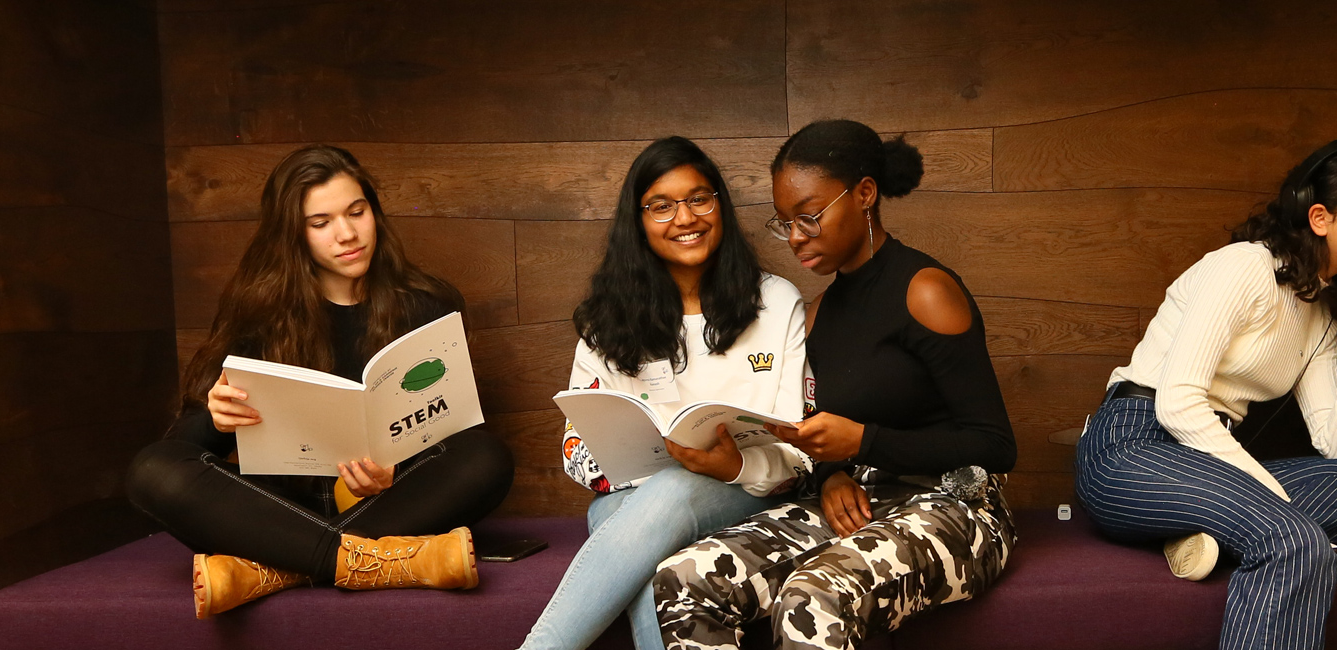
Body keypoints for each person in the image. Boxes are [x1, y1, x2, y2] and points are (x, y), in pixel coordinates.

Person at [652, 119, 1018, 650]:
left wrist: (863, 442)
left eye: (809, 217)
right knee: (685, 577)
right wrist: (829, 475)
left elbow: (995, 445)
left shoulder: (926, 292)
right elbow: (821, 430)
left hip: (960, 507)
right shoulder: (818, 313)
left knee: (812, 597)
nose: (797, 237)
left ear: (865, 194)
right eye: (785, 223)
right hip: (862, 502)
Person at [126, 144, 514, 618]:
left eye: (357, 212)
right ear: (293, 234)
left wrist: (396, 469)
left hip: (391, 502)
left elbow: (456, 431)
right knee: (152, 470)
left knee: (486, 457)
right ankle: (382, 562)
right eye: (321, 223)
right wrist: (216, 416)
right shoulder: (259, 311)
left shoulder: (426, 302)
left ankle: (272, 570)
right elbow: (186, 442)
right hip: (275, 506)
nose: (347, 234)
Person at [1075, 136, 1337, 649]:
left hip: (1211, 462)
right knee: (1297, 543)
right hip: (1134, 448)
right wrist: (1270, 499)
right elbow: (1177, 403)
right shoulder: (1244, 267)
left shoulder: (1320, 312)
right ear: (1319, 217)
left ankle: (1205, 534)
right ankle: (1239, 524)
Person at [518, 137, 813, 649]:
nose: (685, 218)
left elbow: (801, 447)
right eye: (661, 205)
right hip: (637, 501)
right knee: (634, 507)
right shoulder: (606, 319)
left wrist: (733, 468)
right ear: (638, 221)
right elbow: (575, 447)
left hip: (750, 497)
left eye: (700, 198)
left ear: (720, 204)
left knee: (657, 498)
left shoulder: (775, 300)